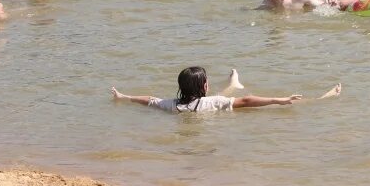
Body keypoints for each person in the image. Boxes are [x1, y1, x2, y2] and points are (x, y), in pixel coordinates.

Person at [111, 66, 341, 113]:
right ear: (204, 86)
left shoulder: (171, 106)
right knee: (228, 94)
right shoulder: (213, 102)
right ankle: (324, 98)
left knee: (227, 91)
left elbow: (149, 99)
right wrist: (279, 100)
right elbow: (248, 101)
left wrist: (125, 97)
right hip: (212, 105)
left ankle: (234, 82)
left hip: (198, 105)